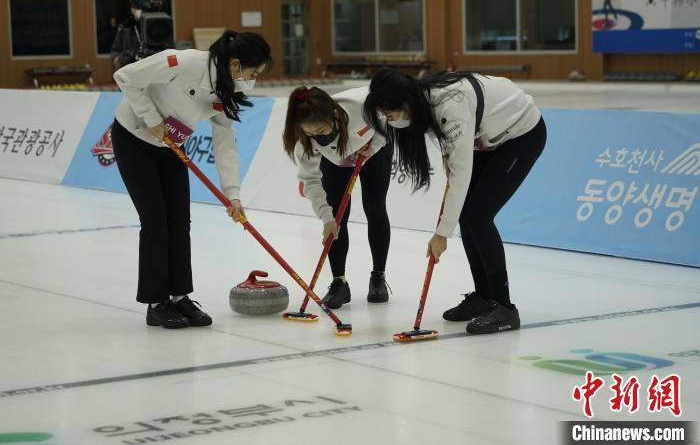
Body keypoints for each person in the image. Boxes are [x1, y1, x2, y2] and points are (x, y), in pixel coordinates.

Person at [363, 69, 546, 334]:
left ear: (405, 104)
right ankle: (485, 297)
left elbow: (460, 175)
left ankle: (505, 308)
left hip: (520, 134)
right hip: (487, 137)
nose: (390, 121)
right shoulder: (420, 103)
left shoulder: (450, 106)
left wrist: (441, 234)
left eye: (390, 115)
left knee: (478, 216)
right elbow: (447, 151)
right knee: (467, 215)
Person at [112, 30, 271, 328]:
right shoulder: (182, 63)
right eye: (254, 72)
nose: (253, 79)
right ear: (236, 64)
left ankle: (179, 297)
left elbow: (224, 141)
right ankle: (156, 303)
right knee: (156, 222)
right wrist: (152, 119)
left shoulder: (225, 87)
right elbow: (125, 76)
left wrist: (232, 195)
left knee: (179, 222)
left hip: (171, 145)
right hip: (134, 139)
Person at [283, 86, 392, 309]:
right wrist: (326, 219)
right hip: (335, 161)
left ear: (334, 115)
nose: (318, 137)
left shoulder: (362, 106)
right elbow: (311, 182)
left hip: (372, 150)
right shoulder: (306, 143)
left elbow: (387, 120)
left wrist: (374, 146)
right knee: (336, 216)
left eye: (322, 130)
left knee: (375, 206)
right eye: (312, 134)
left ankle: (378, 277)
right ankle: (339, 282)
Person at [110, 0, 145, 70]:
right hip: (129, 69)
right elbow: (115, 51)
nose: (139, 11)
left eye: (141, 8)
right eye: (137, 8)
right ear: (132, 10)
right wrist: (118, 59)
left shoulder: (157, 26)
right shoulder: (125, 28)